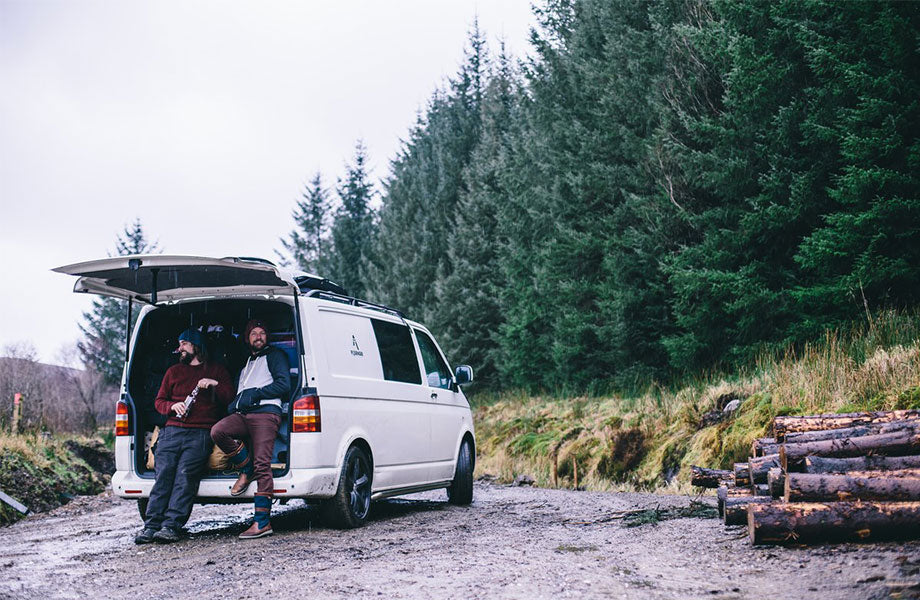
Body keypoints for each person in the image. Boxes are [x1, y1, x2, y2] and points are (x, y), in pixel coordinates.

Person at [134, 328, 233, 544]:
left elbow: (230, 399)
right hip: (171, 431)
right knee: (163, 477)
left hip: (201, 432)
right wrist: (173, 406)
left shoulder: (217, 371)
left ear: (196, 346)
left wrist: (214, 385)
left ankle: (171, 526)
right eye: (179, 344)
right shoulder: (173, 371)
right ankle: (150, 526)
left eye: (184, 344)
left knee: (185, 477)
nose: (180, 348)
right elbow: (158, 402)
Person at [211, 318, 291, 539]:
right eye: (254, 333)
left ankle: (262, 523)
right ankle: (246, 470)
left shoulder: (275, 356)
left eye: (262, 333)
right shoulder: (246, 363)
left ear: (267, 337)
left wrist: (255, 393)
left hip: (266, 413)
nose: (258, 336)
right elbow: (241, 392)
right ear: (247, 338)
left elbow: (284, 384)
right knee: (219, 431)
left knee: (263, 464)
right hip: (243, 415)